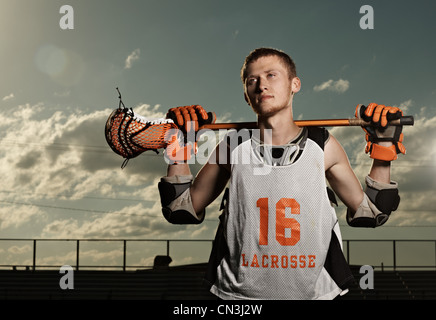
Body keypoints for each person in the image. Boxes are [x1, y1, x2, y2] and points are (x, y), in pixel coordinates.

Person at [158, 48, 405, 300]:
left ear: (294, 84)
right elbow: (180, 209)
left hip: (314, 296)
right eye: (252, 81)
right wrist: (178, 143)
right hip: (236, 298)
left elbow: (373, 212)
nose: (261, 85)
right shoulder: (233, 146)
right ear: (246, 95)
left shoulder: (323, 145)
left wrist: (384, 146)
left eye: (271, 75)